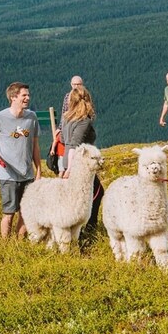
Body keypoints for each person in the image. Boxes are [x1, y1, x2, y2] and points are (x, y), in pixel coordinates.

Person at [0, 82, 42, 239]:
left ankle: (18, 243)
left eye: (28, 95)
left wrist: (39, 170)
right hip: (7, 174)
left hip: (27, 173)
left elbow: (35, 145)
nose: (28, 98)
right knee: (8, 214)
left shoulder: (32, 117)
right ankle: (5, 246)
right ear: (13, 97)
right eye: (24, 95)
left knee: (25, 212)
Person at [61, 84, 104, 229]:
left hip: (67, 159)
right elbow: (75, 145)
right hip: (79, 164)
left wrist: (65, 165)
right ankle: (88, 227)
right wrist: (69, 170)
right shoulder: (83, 121)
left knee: (74, 196)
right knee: (96, 193)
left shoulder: (67, 119)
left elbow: (64, 140)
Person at [56, 75, 85, 172]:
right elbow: (64, 113)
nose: (76, 86)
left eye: (78, 84)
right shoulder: (67, 97)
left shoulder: (85, 96)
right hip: (69, 127)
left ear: (82, 84)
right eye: (74, 84)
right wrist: (60, 128)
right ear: (71, 84)